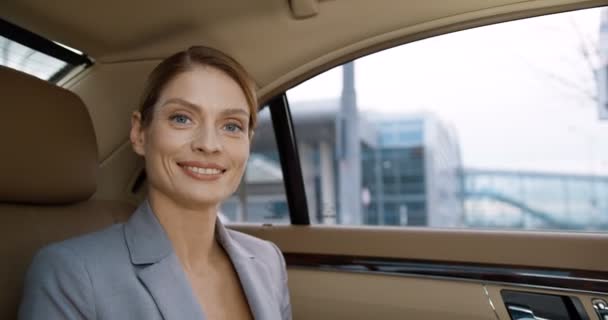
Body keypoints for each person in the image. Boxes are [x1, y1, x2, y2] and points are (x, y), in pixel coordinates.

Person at [19, 46, 292, 320]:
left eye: (232, 126)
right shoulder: (70, 273)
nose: (209, 145)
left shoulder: (268, 260)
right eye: (182, 118)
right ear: (139, 133)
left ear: (248, 141)